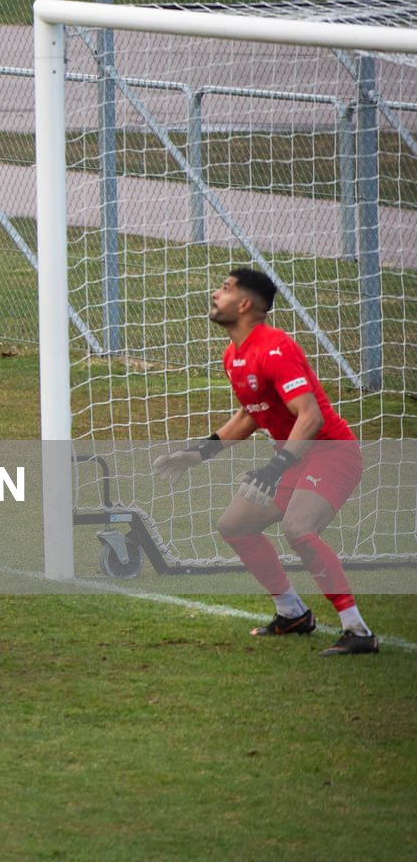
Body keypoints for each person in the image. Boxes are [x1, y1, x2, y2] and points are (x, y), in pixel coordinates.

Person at [152, 267, 377, 655]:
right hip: (293, 457)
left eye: (224, 288)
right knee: (235, 526)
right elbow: (250, 415)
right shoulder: (234, 355)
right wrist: (198, 452)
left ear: (244, 304)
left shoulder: (275, 347)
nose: (214, 294)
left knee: (299, 530)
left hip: (330, 453)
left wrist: (276, 467)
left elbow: (310, 417)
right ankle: (292, 612)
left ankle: (357, 629)